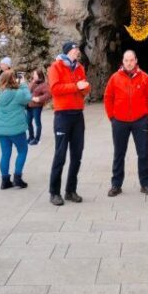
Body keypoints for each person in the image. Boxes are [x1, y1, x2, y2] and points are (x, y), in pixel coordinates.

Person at [104, 50, 148, 197]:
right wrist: (112, 117)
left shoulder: (144, 77)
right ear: (123, 61)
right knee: (119, 153)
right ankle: (116, 185)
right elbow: (108, 97)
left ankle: (145, 184)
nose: (129, 63)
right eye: (126, 60)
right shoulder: (115, 78)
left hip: (140, 121)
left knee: (143, 153)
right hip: (119, 121)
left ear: (136, 60)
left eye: (131, 60)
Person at [47, 41, 91, 206]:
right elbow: (55, 89)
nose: (77, 52)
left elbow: (84, 89)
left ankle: (70, 190)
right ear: (67, 51)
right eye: (74, 50)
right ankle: (54, 192)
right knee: (60, 155)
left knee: (77, 155)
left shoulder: (80, 68)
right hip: (63, 115)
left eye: (77, 50)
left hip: (78, 115)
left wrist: (85, 88)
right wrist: (76, 86)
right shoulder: (56, 67)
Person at [0, 70, 32, 189]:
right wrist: (24, 84)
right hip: (16, 129)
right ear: (14, 79)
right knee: (22, 151)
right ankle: (17, 178)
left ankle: (5, 181)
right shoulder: (18, 93)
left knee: (5, 154)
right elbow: (28, 98)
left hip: (1, 130)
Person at [27, 69, 51, 145]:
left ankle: (37, 139)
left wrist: (39, 99)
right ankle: (31, 137)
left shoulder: (44, 84)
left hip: (37, 106)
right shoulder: (32, 82)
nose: (33, 76)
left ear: (39, 76)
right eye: (33, 74)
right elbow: (29, 91)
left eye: (35, 74)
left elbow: (48, 94)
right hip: (29, 106)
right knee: (28, 122)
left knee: (37, 123)